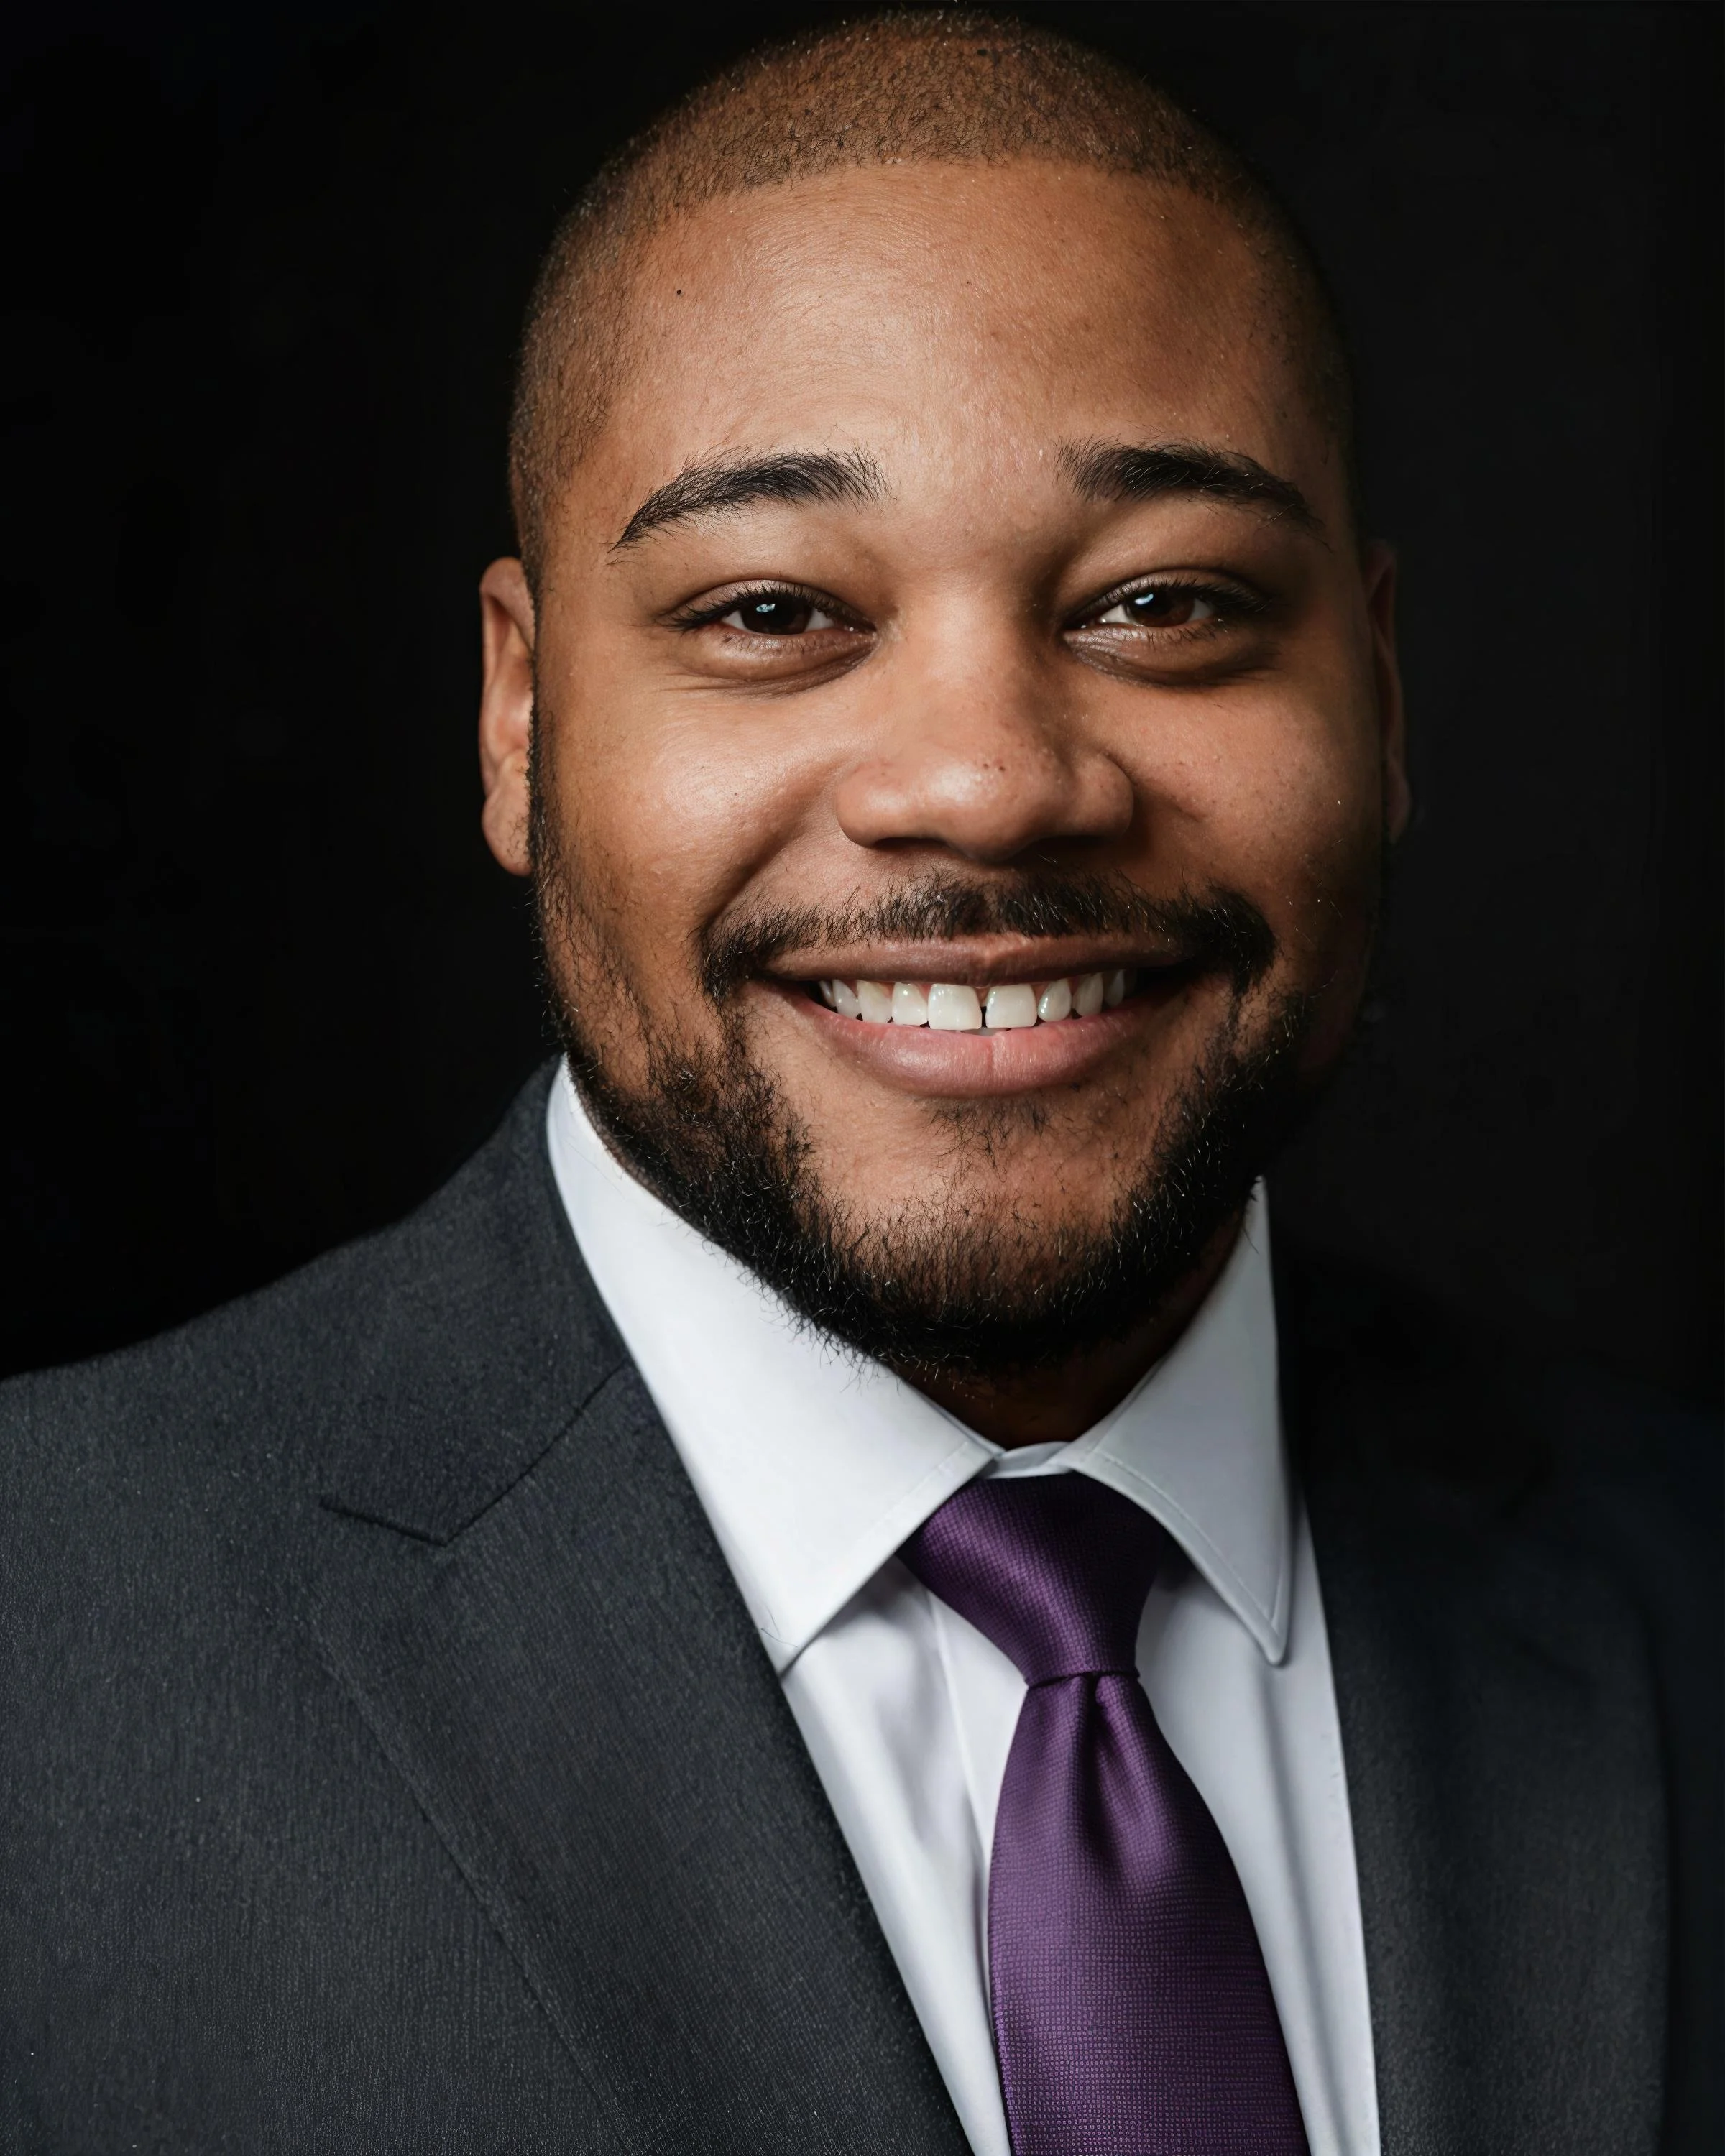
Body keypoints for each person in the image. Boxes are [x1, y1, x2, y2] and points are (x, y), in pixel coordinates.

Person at [2, 14, 1716, 2152]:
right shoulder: (42, 1659)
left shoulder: (1683, 1583)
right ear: (519, 719)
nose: (988, 784)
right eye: (776, 609)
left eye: (1167, 601)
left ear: (1376, 689)